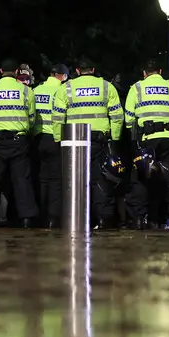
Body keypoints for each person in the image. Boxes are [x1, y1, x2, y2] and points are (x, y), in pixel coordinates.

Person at [52, 59, 124, 229]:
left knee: (76, 180)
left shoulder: (66, 88)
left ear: (77, 71)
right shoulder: (107, 87)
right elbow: (117, 116)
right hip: (99, 141)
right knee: (101, 179)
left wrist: (58, 140)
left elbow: (57, 117)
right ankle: (104, 219)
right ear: (93, 69)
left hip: (74, 141)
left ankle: (80, 219)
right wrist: (113, 139)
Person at [0, 58, 38, 228]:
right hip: (19, 141)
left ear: (1, 71)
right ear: (17, 72)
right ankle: (26, 219)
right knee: (22, 181)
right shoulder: (26, 91)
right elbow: (31, 118)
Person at [124, 58, 169, 229]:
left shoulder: (136, 88)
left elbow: (129, 119)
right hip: (168, 139)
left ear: (144, 73)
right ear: (160, 71)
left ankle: (139, 219)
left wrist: (135, 139)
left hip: (147, 140)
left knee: (142, 179)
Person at [33, 63, 69, 228]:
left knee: (41, 179)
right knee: (55, 180)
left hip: (37, 138)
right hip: (54, 138)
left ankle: (40, 215)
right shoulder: (61, 90)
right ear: (62, 76)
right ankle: (52, 218)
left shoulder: (36, 90)